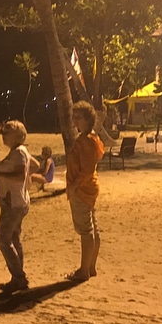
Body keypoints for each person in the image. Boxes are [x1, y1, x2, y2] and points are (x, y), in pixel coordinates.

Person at [0, 119, 37, 293]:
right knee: (14, 239)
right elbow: (35, 165)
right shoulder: (21, 151)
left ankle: (19, 277)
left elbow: (18, 176)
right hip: (19, 201)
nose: (4, 136)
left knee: (3, 240)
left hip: (13, 203)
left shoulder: (18, 153)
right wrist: (27, 178)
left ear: (16, 136)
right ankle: (17, 278)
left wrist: (0, 174)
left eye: (7, 133)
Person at [66, 100, 104, 282]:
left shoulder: (87, 140)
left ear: (88, 119)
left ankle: (84, 270)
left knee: (86, 230)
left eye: (78, 117)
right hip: (87, 188)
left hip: (83, 189)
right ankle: (90, 267)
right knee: (92, 228)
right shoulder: (91, 138)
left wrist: (74, 186)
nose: (75, 121)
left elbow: (87, 170)